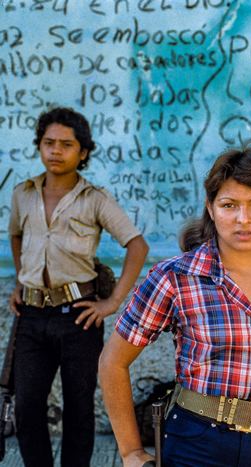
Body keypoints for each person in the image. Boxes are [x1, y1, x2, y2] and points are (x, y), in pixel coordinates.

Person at [99, 147, 251, 467]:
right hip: (199, 442)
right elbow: (112, 362)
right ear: (210, 208)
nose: (243, 218)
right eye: (228, 205)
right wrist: (130, 452)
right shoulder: (175, 278)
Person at [7, 107, 149, 467]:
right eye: (48, 143)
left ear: (83, 152)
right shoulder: (23, 193)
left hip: (79, 317)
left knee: (79, 407)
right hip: (31, 316)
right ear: (39, 146)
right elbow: (16, 235)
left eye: (66, 145)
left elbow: (137, 245)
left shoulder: (95, 199)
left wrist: (111, 302)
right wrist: (24, 279)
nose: (56, 151)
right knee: (26, 405)